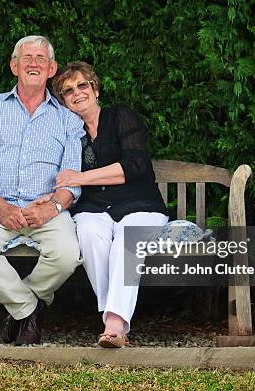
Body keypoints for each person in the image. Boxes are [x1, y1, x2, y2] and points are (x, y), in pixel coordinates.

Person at [0, 36, 85, 346]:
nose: (33, 63)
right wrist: (2, 208)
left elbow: (71, 179)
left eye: (41, 59)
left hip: (46, 210)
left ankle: (19, 309)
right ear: (14, 65)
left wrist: (53, 207)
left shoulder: (68, 119)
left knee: (68, 254)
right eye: (26, 57)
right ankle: (27, 309)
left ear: (52, 68)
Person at [51, 61, 169, 348]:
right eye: (68, 91)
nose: (77, 93)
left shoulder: (120, 116)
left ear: (95, 89)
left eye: (82, 85)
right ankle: (112, 317)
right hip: (94, 209)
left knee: (127, 240)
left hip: (140, 205)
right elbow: (58, 174)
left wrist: (81, 176)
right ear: (64, 102)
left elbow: (136, 165)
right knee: (89, 233)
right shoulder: (70, 134)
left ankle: (114, 322)